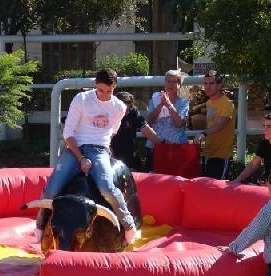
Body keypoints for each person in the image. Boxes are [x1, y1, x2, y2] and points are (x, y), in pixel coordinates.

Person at [35, 68, 137, 244]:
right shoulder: (81, 99)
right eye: (101, 90)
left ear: (115, 87)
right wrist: (81, 157)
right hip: (75, 148)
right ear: (95, 85)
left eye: (109, 91)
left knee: (106, 188)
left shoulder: (119, 107)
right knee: (51, 190)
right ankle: (40, 224)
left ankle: (128, 224)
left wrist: (101, 151)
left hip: (99, 151)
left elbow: (111, 132)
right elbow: (68, 134)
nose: (104, 95)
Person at [195, 70, 236, 179]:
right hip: (207, 153)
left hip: (221, 155)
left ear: (219, 85)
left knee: (219, 190)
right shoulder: (209, 102)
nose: (207, 87)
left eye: (211, 83)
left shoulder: (227, 104)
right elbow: (211, 124)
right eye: (206, 83)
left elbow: (221, 124)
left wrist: (203, 133)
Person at [234, 112, 271, 183]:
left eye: (269, 126)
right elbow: (254, 164)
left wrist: (265, 186)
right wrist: (237, 180)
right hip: (268, 184)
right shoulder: (264, 143)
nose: (265, 130)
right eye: (264, 126)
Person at [146, 69, 190, 169]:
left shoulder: (184, 103)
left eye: (174, 82)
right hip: (156, 147)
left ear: (179, 85)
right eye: (168, 81)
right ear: (165, 83)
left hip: (177, 149)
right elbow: (149, 121)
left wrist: (169, 105)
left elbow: (179, 124)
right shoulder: (155, 99)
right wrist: (161, 104)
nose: (171, 84)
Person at [110, 91, 162, 171]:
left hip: (130, 154)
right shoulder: (107, 113)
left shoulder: (132, 111)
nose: (126, 112)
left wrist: (161, 143)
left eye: (128, 109)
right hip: (112, 155)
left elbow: (145, 129)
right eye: (123, 109)